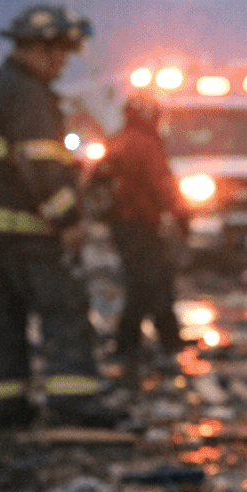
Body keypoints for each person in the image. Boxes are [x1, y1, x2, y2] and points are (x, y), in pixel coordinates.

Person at [0, 3, 122, 430]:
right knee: (64, 311)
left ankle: (6, 409)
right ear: (32, 49)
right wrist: (69, 221)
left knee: (0, 322)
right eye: (55, 52)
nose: (61, 62)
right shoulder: (29, 95)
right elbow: (41, 165)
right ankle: (73, 403)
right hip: (24, 234)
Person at [90, 92, 189, 366]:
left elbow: (94, 183)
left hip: (121, 225)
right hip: (141, 223)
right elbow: (163, 181)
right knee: (153, 280)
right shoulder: (147, 143)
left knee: (143, 279)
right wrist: (181, 215)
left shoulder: (116, 141)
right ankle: (145, 341)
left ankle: (148, 339)